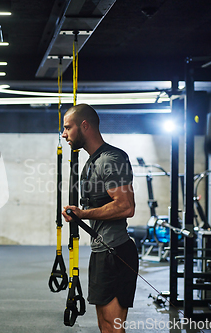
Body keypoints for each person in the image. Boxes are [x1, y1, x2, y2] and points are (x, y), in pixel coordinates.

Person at [61, 104, 138, 333]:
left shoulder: (111, 159)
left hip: (116, 252)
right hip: (101, 252)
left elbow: (126, 207)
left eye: (68, 128)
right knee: (104, 326)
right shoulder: (92, 161)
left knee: (114, 328)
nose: (64, 134)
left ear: (84, 126)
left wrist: (83, 214)